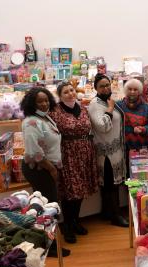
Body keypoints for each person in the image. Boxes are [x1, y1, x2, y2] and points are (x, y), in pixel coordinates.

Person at [20, 87, 69, 257]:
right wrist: (51, 168)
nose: (44, 103)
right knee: (48, 208)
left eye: (46, 100)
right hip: (40, 168)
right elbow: (34, 152)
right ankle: (51, 246)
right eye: (39, 101)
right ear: (31, 104)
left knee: (50, 205)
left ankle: (49, 243)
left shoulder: (44, 117)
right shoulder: (31, 122)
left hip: (46, 167)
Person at [49, 81, 98, 244]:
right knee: (70, 192)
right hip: (68, 153)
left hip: (85, 152)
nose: (70, 93)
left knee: (81, 189)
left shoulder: (83, 108)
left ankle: (76, 221)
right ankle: (67, 225)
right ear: (59, 96)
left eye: (71, 90)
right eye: (65, 92)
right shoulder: (55, 111)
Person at [88, 73, 128, 227]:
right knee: (110, 185)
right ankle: (116, 216)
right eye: (102, 86)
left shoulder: (109, 101)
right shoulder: (95, 104)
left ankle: (107, 212)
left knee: (112, 184)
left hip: (115, 150)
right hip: (105, 152)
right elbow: (103, 126)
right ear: (96, 88)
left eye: (107, 85)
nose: (105, 88)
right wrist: (110, 109)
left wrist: (111, 106)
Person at [117, 78, 148, 151]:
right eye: (130, 89)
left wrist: (143, 129)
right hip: (124, 149)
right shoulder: (119, 106)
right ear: (126, 90)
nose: (132, 92)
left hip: (143, 149)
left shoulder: (146, 107)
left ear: (139, 91)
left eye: (135, 89)